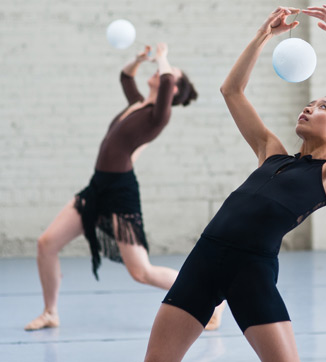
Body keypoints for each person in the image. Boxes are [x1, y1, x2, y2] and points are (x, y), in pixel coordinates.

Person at [144, 5, 326, 362]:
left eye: (321, 107)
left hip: (251, 271)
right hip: (204, 259)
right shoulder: (272, 153)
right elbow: (231, 90)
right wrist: (263, 34)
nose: (309, 108)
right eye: (309, 103)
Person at [23, 43, 228, 331]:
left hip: (120, 193)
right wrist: (140, 59)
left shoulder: (159, 116)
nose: (160, 71)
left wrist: (164, 56)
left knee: (141, 272)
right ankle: (50, 312)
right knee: (46, 244)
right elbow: (125, 77)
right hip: (97, 187)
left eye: (166, 72)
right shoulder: (138, 104)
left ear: (172, 88)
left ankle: (211, 299)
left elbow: (167, 80)